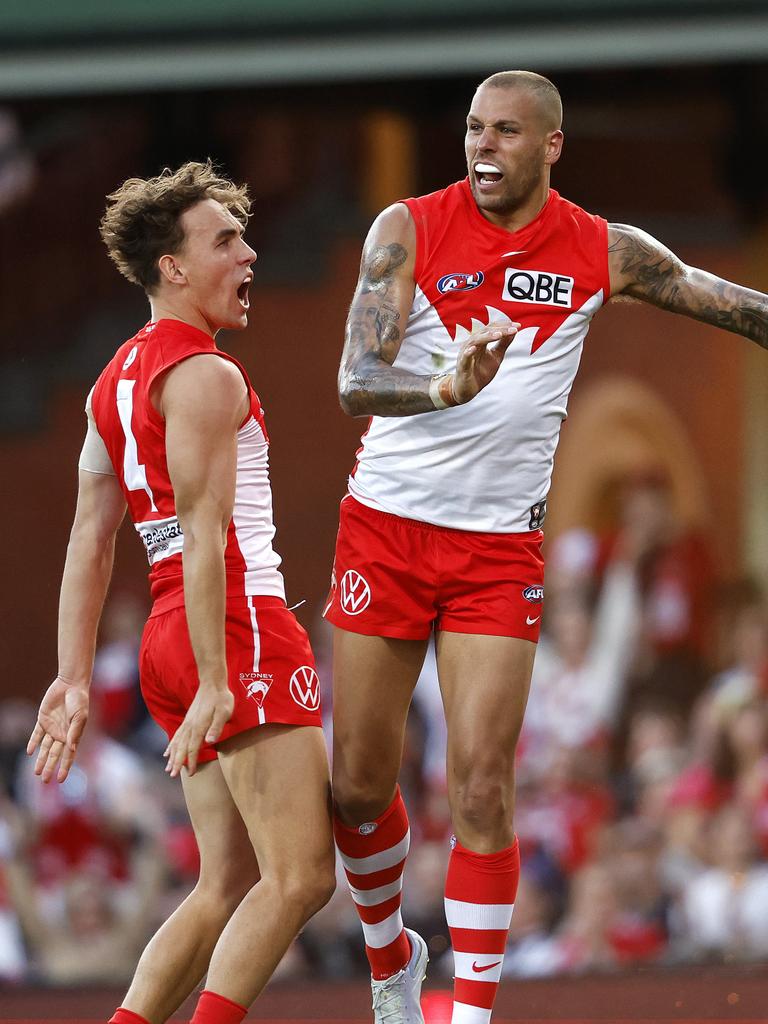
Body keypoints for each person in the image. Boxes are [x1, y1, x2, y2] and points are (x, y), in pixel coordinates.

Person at [323, 70, 768, 1024]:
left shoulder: (602, 249)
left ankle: (473, 1016)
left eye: (507, 133)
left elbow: (716, 296)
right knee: (358, 788)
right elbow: (357, 377)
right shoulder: (406, 226)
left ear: (552, 146)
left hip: (497, 553)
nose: (483, 148)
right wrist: (441, 385)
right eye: (475, 130)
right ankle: (391, 960)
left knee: (483, 782)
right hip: (388, 532)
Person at [26, 161, 335, 1024]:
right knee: (302, 875)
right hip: (233, 624)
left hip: (170, 631)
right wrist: (216, 677)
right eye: (225, 242)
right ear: (172, 266)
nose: (249, 254)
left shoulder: (109, 384)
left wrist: (74, 675)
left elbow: (92, 537)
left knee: (225, 882)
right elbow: (206, 535)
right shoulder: (206, 375)